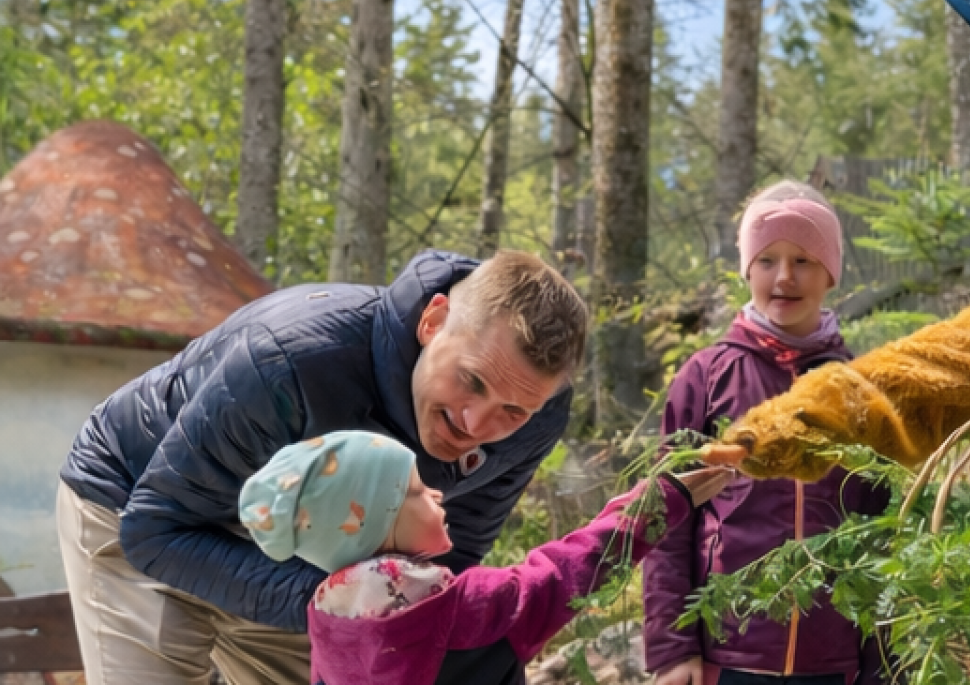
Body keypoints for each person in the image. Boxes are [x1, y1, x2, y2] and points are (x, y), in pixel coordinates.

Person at [57, 249, 589, 684]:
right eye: (471, 381)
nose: (476, 423)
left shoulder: (537, 414)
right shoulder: (290, 359)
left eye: (512, 410)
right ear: (434, 321)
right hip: (137, 506)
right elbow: (153, 531)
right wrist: (338, 603)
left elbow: (453, 548)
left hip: (306, 559)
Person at [236, 430, 735, 685]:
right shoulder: (462, 611)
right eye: (414, 491)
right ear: (374, 524)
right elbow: (569, 572)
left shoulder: (328, 622)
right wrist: (658, 502)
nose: (436, 494)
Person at [644, 182, 890, 685]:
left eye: (803, 260)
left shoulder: (858, 387)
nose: (784, 277)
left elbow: (882, 530)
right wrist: (672, 649)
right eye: (767, 260)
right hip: (727, 656)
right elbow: (665, 516)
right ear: (747, 270)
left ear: (830, 273)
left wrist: (880, 665)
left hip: (831, 661)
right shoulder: (706, 375)